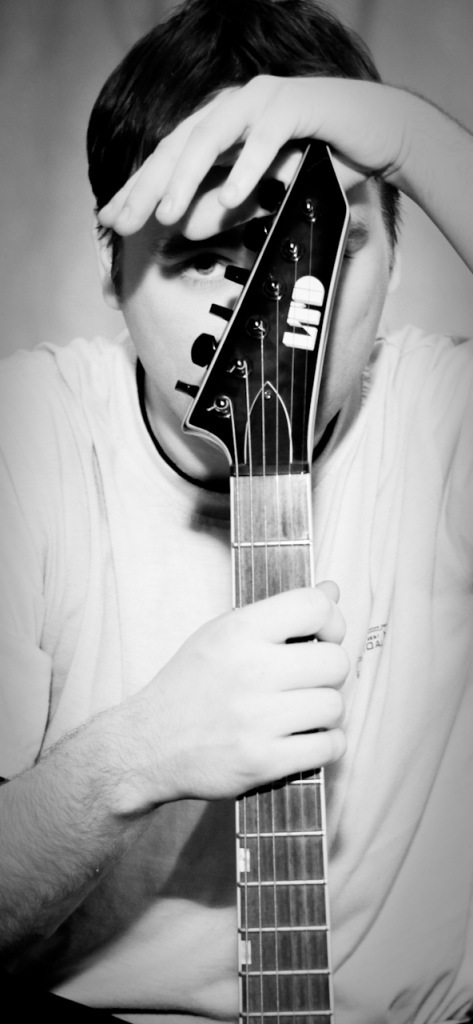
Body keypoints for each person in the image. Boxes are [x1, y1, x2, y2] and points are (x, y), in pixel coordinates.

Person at [0, 0, 472, 1021]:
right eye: (208, 253)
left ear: (395, 257)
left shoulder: (443, 423)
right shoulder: (23, 441)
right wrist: (134, 757)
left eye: (320, 247)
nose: (268, 299)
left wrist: (399, 133)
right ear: (111, 269)